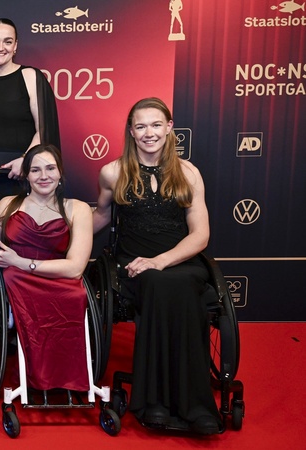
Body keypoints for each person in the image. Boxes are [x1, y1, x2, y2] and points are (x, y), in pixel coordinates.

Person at [92, 97, 222, 435]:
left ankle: (194, 406)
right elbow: (101, 215)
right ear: (131, 131)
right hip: (133, 266)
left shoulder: (189, 173)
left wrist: (161, 261)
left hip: (180, 261)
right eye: (141, 126)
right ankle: (156, 404)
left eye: (155, 125)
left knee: (174, 281)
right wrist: (58, 237)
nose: (149, 133)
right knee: (154, 281)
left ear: (169, 128)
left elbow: (201, 235)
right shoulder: (113, 172)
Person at [0, 144, 93, 392]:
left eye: (50, 168)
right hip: (17, 279)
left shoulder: (78, 209)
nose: (44, 176)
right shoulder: (8, 204)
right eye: (35, 170)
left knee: (75, 295)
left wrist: (21, 262)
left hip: (59, 276)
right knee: (13, 279)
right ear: (26, 175)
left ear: (60, 172)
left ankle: (63, 378)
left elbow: (75, 268)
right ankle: (36, 375)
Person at [0, 18, 60, 236]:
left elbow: (44, 128)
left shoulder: (30, 77)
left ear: (15, 46)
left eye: (7, 42)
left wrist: (26, 161)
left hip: (19, 175)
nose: (0, 47)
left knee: (18, 236)